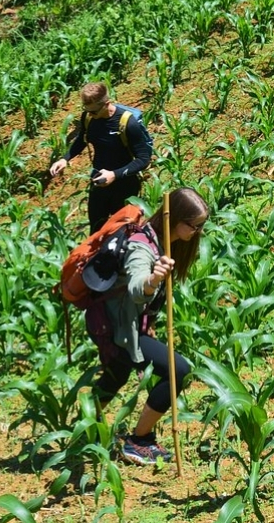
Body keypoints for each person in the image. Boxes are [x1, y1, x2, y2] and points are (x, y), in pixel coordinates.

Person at [85, 188, 208, 465]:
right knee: (178, 371)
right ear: (175, 217)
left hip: (122, 324)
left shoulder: (163, 241)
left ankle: (86, 427)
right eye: (194, 225)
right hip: (116, 328)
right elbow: (137, 287)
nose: (197, 232)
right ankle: (139, 440)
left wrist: (147, 320)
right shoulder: (142, 246)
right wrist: (153, 279)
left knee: (117, 374)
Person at [50, 82, 154, 232]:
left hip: (124, 185)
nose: (90, 115)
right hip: (99, 181)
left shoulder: (127, 123)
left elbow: (143, 159)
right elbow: (81, 139)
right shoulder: (88, 117)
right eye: (87, 110)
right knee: (97, 230)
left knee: (124, 232)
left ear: (107, 104)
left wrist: (114, 174)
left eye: (94, 112)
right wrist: (65, 158)